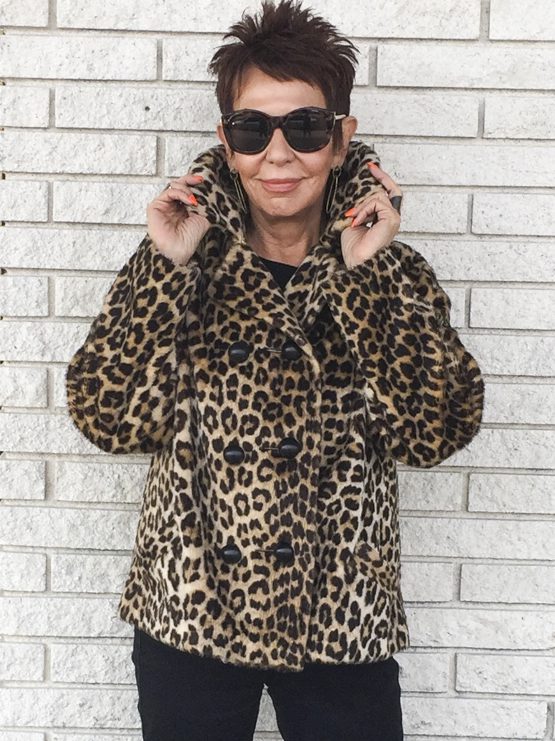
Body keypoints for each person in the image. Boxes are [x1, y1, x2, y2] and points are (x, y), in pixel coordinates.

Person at [65, 1, 485, 739]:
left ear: (341, 136)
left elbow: (435, 432)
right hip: (191, 611)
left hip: (341, 617)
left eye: (307, 127)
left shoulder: (390, 270)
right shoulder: (182, 261)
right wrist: (166, 265)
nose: (280, 154)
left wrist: (368, 276)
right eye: (254, 130)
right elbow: (106, 415)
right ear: (226, 142)